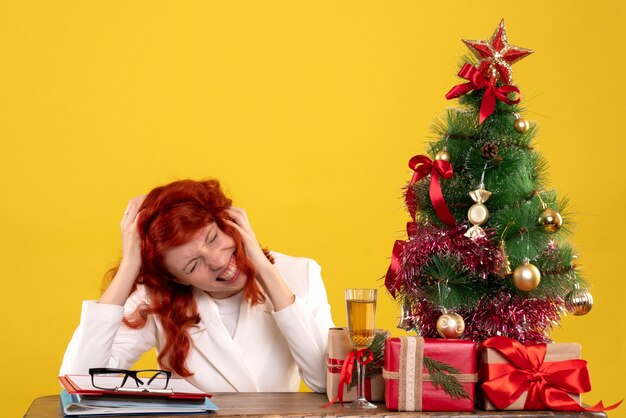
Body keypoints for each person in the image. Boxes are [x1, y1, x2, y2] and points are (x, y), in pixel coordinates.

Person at [60, 179, 335, 392]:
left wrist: (265, 270)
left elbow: (326, 384)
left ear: (229, 219)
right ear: (177, 279)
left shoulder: (300, 274)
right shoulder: (156, 297)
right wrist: (131, 264)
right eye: (193, 265)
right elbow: (79, 381)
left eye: (213, 237)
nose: (217, 261)